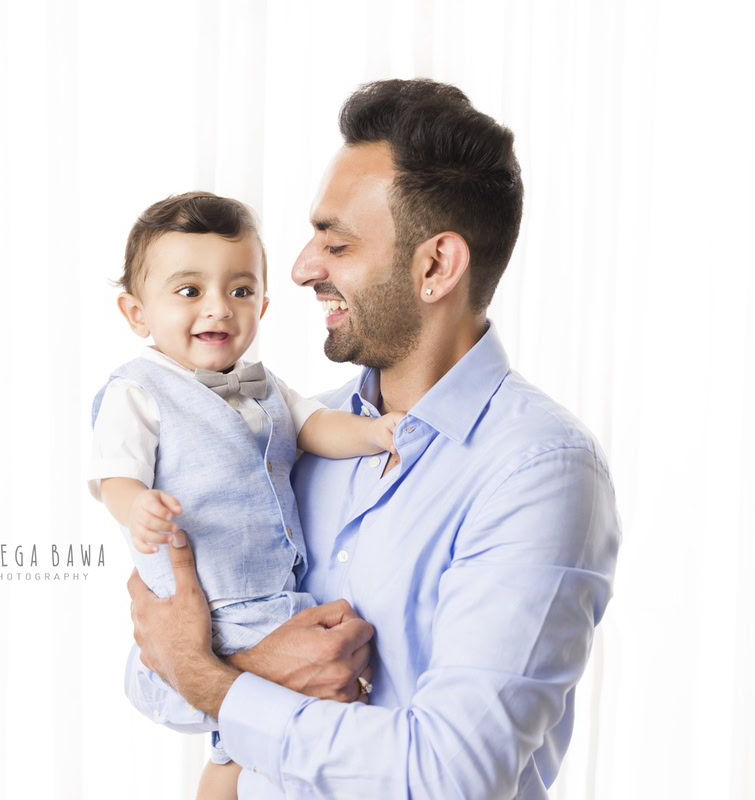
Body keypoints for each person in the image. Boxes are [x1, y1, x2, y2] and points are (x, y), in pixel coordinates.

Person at [125, 79, 622, 799]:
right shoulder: (278, 438)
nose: (299, 269)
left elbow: (449, 776)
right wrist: (251, 669)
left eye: (337, 243)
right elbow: (151, 672)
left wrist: (213, 679)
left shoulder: (538, 472)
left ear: (435, 267)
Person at [87, 191, 402, 798]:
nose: (219, 308)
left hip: (278, 593)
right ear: (136, 314)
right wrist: (138, 508)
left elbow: (313, 427)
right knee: (264, 720)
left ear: (263, 302)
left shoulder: (263, 387)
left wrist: (372, 432)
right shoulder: (140, 390)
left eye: (239, 290)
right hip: (215, 602)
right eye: (189, 291)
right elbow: (114, 475)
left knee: (259, 735)